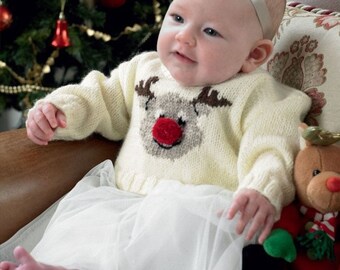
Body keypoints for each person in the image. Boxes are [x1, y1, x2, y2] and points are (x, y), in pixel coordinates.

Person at [0, 0, 311, 269]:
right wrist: (59, 111)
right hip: (118, 201)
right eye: (177, 18)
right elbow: (100, 98)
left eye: (210, 31)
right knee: (88, 236)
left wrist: (262, 188)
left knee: (164, 244)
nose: (184, 36)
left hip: (194, 214)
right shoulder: (144, 70)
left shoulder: (260, 95)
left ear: (254, 55)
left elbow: (273, 148)